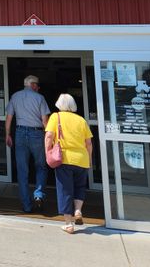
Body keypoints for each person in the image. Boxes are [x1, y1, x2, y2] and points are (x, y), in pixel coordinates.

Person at [45, 93, 93, 234]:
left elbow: (49, 136)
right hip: (82, 159)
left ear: (59, 104)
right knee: (80, 187)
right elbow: (88, 143)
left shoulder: (56, 117)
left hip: (64, 159)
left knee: (65, 190)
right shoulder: (81, 120)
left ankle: (68, 224)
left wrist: (47, 152)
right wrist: (89, 158)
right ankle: (78, 210)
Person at [5, 75, 50, 212]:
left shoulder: (15, 96)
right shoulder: (40, 98)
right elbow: (45, 121)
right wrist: (50, 138)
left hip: (19, 133)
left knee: (22, 170)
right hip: (36, 133)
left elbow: (9, 118)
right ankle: (38, 194)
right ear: (33, 85)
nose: (39, 87)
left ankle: (26, 205)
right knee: (41, 166)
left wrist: (7, 134)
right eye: (38, 85)